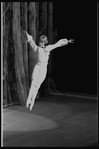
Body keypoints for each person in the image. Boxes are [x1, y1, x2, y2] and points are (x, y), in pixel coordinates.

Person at [23, 31, 74, 110]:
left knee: (37, 86)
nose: (40, 43)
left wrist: (66, 41)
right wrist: (27, 35)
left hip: (43, 68)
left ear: (44, 43)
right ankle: (28, 99)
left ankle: (32, 101)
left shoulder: (48, 48)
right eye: (40, 42)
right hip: (37, 67)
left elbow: (57, 44)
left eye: (42, 42)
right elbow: (31, 41)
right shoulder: (37, 48)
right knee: (33, 83)